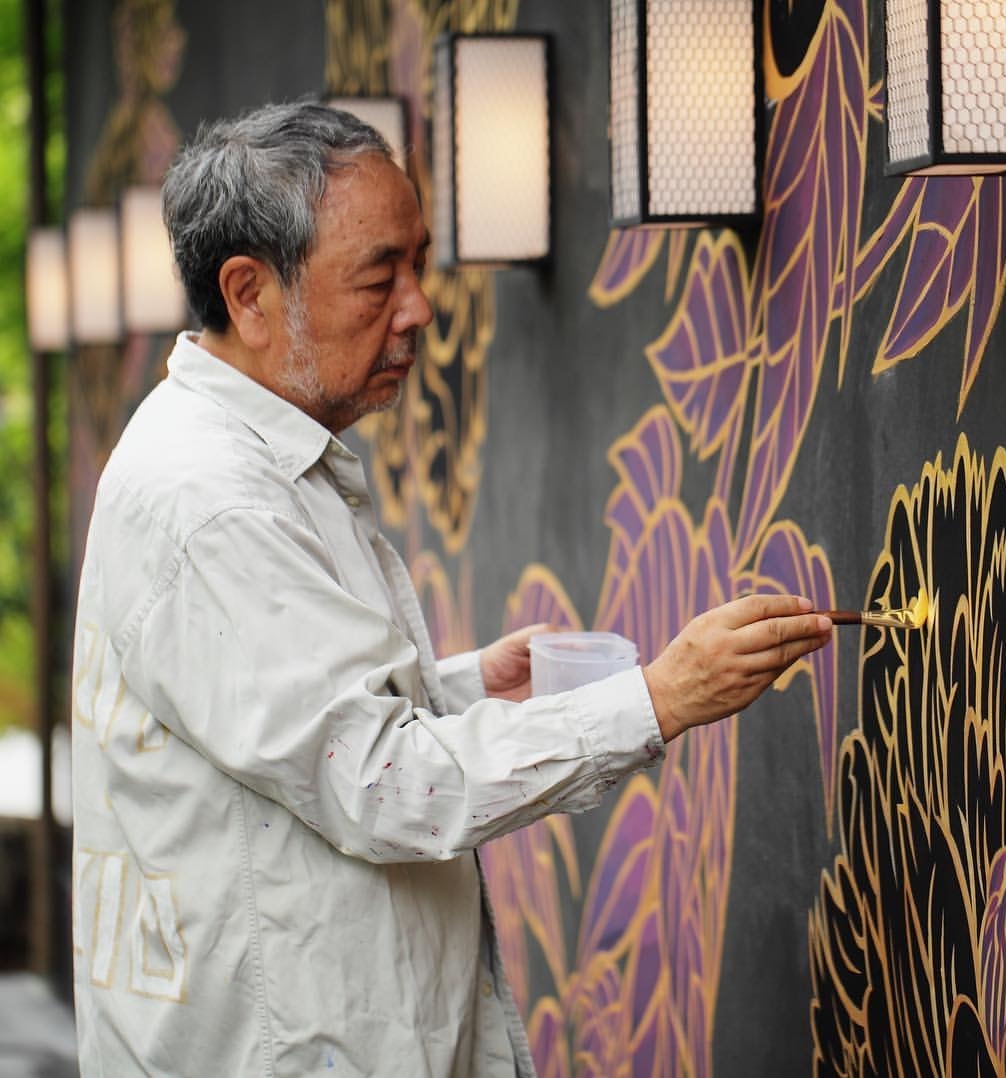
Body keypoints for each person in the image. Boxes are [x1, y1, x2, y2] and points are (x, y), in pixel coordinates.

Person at [70, 100, 833, 1076]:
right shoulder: (212, 501)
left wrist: (464, 687)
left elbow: (290, 727)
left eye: (420, 264)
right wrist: (659, 698)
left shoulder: (244, 459)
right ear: (250, 295)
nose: (420, 307)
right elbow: (381, 783)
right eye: (380, 275)